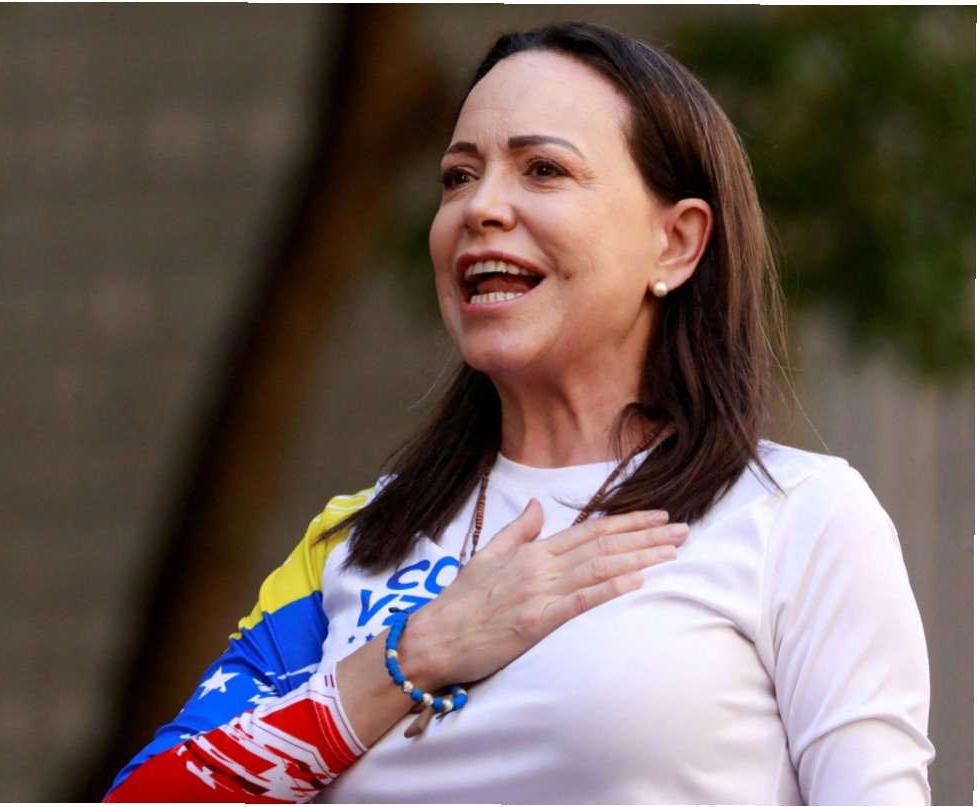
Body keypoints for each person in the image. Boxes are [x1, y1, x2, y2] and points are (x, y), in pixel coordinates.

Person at [104, 21, 932, 804]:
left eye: (542, 169)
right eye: (458, 176)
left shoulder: (797, 518)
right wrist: (413, 654)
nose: (480, 208)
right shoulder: (355, 543)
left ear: (676, 242)